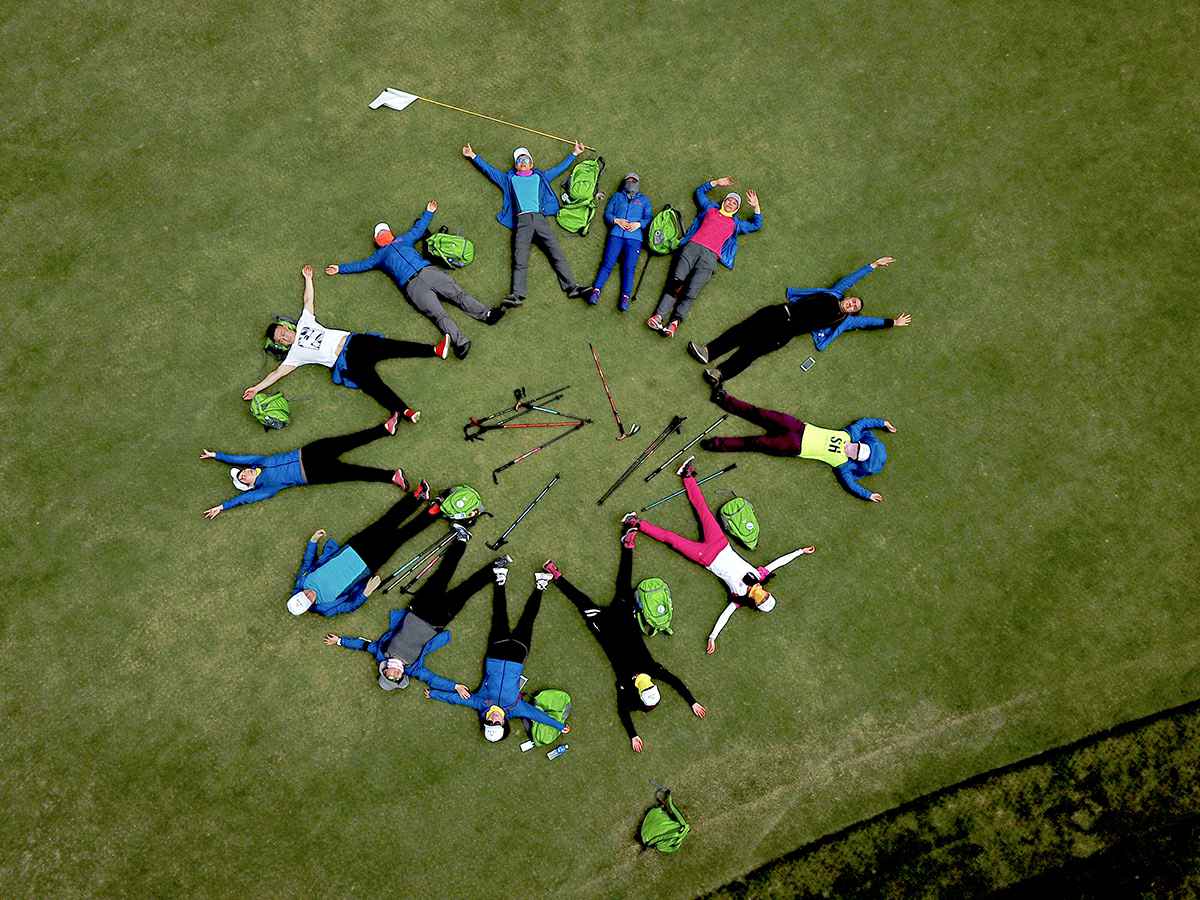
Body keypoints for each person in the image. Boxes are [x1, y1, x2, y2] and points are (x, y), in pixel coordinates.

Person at [543, 529, 706, 752]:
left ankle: (557, 577)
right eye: (647, 683)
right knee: (623, 586)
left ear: (639, 692)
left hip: (605, 628)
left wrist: (633, 735)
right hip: (623, 620)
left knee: (582, 602)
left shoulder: (626, 686)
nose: (641, 679)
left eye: (641, 685)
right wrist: (692, 701)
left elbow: (623, 711)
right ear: (652, 683)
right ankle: (628, 546)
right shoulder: (652, 670)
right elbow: (676, 682)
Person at [628, 457, 815, 652]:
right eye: (767, 595)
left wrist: (712, 637)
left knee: (671, 539)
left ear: (755, 603)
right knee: (703, 510)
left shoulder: (738, 598)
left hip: (705, 556)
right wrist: (800, 551)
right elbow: (779, 562)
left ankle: (636, 523)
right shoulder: (759, 575)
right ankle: (686, 475)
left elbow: (725, 617)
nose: (763, 594)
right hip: (720, 542)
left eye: (762, 600)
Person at [244, 265, 448, 423]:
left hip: (354, 342)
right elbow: (276, 373)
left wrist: (308, 279)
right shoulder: (294, 355)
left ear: (286, 328)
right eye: (280, 340)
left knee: (393, 347)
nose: (284, 338)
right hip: (346, 363)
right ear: (281, 344)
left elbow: (308, 301)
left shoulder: (304, 322)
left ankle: (435, 350)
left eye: (283, 333)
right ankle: (406, 411)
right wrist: (256, 388)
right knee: (375, 387)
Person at [325, 200, 508, 360]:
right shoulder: (379, 256)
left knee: (458, 295)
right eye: (380, 234)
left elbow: (419, 229)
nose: (383, 235)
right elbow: (361, 265)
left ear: (390, 234)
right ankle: (460, 342)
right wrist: (340, 268)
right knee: (439, 315)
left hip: (427, 272)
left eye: (384, 232)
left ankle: (487, 315)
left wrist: (428, 212)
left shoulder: (403, 240)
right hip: (413, 287)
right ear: (377, 240)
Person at [687, 257, 909, 383]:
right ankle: (708, 352)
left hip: (785, 331)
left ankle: (719, 373)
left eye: (855, 307)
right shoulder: (835, 293)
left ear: (852, 313)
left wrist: (892, 322)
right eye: (853, 301)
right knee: (741, 330)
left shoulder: (844, 320)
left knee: (751, 350)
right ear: (848, 297)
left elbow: (868, 322)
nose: (852, 304)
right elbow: (851, 279)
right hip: (779, 312)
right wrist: (873, 266)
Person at [322, 547, 505, 692]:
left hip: (419, 608)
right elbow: (431, 679)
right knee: (466, 590)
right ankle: (495, 568)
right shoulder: (413, 668)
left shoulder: (381, 651)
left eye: (389, 676)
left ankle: (461, 540)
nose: (394, 674)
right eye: (396, 678)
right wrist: (454, 687)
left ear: (384, 671)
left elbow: (361, 645)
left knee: (442, 574)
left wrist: (339, 641)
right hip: (437, 620)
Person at [425, 562, 567, 742]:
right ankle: (540, 585)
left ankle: (500, 580)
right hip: (517, 655)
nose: (493, 719)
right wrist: (559, 726)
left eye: (489, 722)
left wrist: (434, 694)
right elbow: (537, 716)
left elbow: (456, 699)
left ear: (485, 721)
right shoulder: (515, 709)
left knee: (499, 616)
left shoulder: (480, 702)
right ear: (503, 724)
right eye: (496, 723)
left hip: (496, 653)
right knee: (528, 620)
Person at [286, 481, 451, 617]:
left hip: (351, 548)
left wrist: (313, 541)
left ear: (298, 593)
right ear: (309, 607)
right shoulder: (325, 608)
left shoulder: (303, 581)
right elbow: (350, 606)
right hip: (367, 564)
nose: (309, 595)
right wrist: (366, 592)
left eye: (305, 594)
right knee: (401, 537)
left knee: (386, 522)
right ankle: (432, 513)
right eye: (308, 600)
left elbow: (308, 561)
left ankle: (417, 496)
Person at [702, 387, 897, 502]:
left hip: (791, 445)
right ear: (860, 443)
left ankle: (715, 444)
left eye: (856, 454)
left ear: (856, 460)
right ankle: (724, 399)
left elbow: (851, 484)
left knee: (754, 442)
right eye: (858, 447)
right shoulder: (849, 434)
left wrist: (868, 495)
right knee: (759, 413)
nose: (853, 450)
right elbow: (864, 422)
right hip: (797, 426)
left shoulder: (842, 464)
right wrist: (882, 423)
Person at [199, 418, 406, 519]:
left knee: (349, 440)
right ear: (248, 485)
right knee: (355, 473)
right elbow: (245, 499)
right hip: (312, 474)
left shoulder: (259, 461)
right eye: (242, 478)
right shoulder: (266, 489)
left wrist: (216, 455)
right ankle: (391, 477)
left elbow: (239, 458)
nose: (244, 473)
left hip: (308, 453)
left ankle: (384, 429)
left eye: (242, 472)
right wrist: (222, 507)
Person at [462, 141, 587, 306]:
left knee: (556, 252)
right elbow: (490, 171)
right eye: (519, 160)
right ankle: (517, 295)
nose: (522, 162)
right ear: (516, 166)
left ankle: (572, 287)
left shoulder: (540, 177)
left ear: (531, 164)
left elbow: (559, 169)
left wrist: (574, 153)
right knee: (520, 258)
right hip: (522, 222)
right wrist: (473, 156)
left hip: (540, 219)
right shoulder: (509, 179)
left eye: (525, 159)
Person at [647, 178, 762, 338]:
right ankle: (658, 316)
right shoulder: (710, 209)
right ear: (724, 201)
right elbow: (699, 192)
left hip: (710, 258)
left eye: (734, 203)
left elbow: (757, 225)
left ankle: (674, 323)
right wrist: (716, 183)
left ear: (736, 209)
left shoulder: (736, 224)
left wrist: (756, 206)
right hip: (691, 249)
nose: (730, 203)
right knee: (676, 282)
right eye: (729, 200)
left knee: (691, 291)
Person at [580, 173, 653, 311]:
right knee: (608, 263)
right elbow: (608, 214)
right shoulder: (617, 196)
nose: (631, 183)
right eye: (628, 180)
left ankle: (625, 298)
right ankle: (596, 291)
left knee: (629, 268)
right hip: (616, 235)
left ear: (638, 183)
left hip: (635, 238)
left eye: (634, 181)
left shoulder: (644, 200)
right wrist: (616, 220)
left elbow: (648, 218)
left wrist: (639, 224)